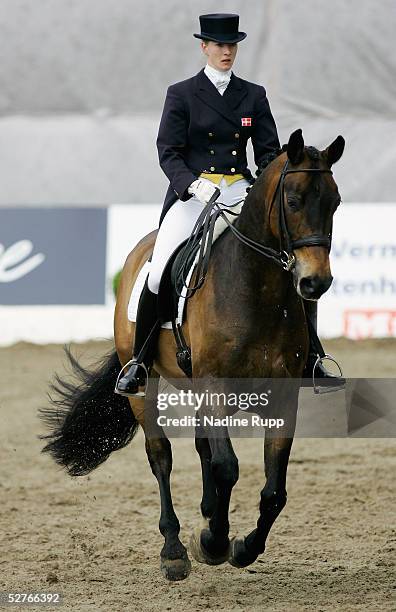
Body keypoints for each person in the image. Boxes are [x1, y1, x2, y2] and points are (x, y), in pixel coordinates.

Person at [116, 13, 342, 396]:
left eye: (232, 45)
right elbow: (168, 151)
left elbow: (269, 153)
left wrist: (268, 182)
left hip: (241, 190)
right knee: (158, 269)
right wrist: (192, 184)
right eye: (220, 45)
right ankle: (139, 361)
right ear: (204, 47)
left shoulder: (253, 94)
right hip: (194, 195)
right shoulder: (182, 93)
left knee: (287, 263)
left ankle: (313, 357)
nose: (226, 52)